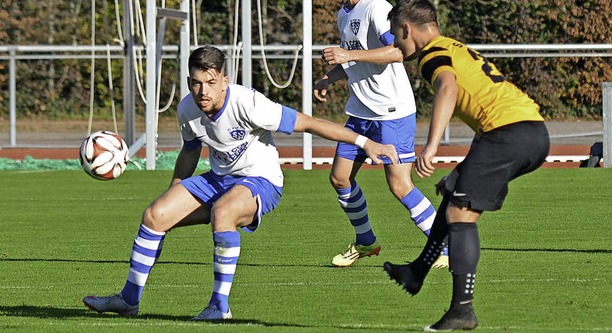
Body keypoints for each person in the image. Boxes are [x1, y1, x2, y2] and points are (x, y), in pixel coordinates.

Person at [82, 45, 399, 320]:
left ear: (224, 80)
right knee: (155, 216)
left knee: (224, 212)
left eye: (210, 83)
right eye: (196, 83)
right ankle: (129, 300)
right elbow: (191, 150)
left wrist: (365, 143)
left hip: (260, 181)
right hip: (218, 179)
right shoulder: (188, 109)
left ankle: (219, 306)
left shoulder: (249, 103)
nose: (203, 91)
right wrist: (175, 188)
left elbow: (309, 123)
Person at [383, 0, 550, 331]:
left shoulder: (432, 54)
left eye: (395, 37)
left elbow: (448, 87)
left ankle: (462, 310)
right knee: (452, 195)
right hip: (531, 130)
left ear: (406, 29)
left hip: (509, 133)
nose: (396, 46)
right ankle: (417, 272)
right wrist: (464, 167)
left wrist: (431, 145)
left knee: (461, 214)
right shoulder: (455, 47)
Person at [313, 0, 448, 268]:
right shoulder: (344, 13)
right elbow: (353, 60)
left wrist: (348, 55)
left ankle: (444, 246)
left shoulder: (376, 7)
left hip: (391, 112)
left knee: (399, 185)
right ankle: (366, 241)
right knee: (340, 179)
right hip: (360, 113)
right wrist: (330, 77)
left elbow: (399, 52)